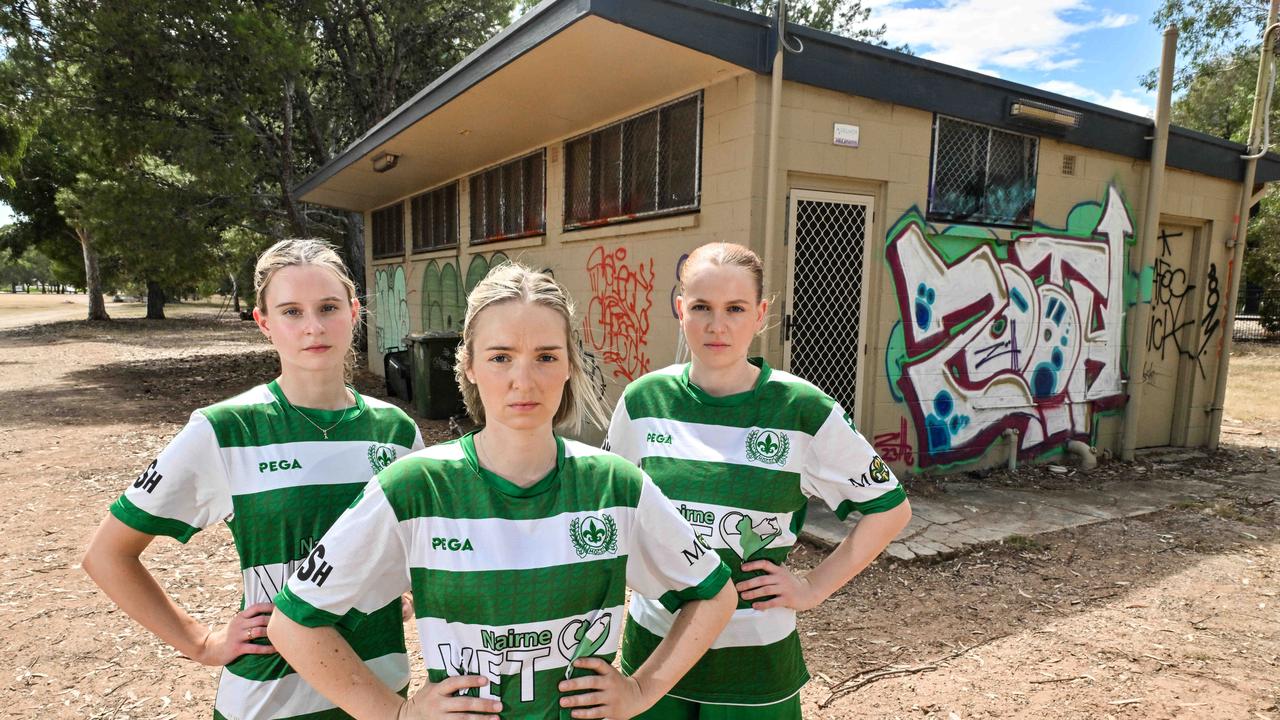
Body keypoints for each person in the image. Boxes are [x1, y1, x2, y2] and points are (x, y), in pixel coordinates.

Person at [268, 262, 737, 720]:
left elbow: (715, 594)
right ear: (468, 365)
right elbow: (294, 623)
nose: (524, 380)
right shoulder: (414, 488)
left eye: (546, 357)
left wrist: (641, 690)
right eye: (500, 357)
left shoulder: (615, 485)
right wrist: (398, 713)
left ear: (570, 365)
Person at [83, 238, 425, 719]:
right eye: (291, 311)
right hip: (271, 699)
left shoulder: (396, 432)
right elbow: (107, 555)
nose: (313, 327)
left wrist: (395, 586)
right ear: (264, 322)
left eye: (328, 307)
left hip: (382, 691)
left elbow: (410, 547)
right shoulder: (226, 430)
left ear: (353, 312)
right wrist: (201, 642)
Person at [607, 242, 913, 719]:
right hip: (653, 651)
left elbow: (890, 509)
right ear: (679, 307)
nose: (717, 325)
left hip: (754, 663)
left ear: (761, 313)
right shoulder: (643, 402)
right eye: (702, 307)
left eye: (735, 309)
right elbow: (610, 515)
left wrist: (812, 586)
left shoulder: (802, 409)